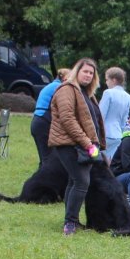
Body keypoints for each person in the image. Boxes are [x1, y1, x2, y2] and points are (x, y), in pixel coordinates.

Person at [49, 58, 106, 236]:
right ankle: (70, 223)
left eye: (91, 73)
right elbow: (67, 119)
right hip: (69, 143)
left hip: (83, 144)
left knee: (74, 181)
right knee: (82, 181)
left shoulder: (86, 93)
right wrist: (88, 143)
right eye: (85, 71)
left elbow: (93, 120)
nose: (88, 75)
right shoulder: (66, 89)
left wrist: (96, 143)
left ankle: (71, 219)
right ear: (76, 71)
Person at [30, 68, 70, 166]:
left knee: (45, 158)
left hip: (38, 121)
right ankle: (43, 179)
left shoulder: (51, 85)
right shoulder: (59, 87)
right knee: (48, 159)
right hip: (43, 121)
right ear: (65, 78)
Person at [99, 67, 130, 159]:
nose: (106, 82)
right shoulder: (128, 96)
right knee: (110, 162)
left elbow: (101, 115)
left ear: (113, 80)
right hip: (117, 135)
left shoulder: (108, 93)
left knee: (98, 161)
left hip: (104, 134)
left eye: (107, 79)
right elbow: (124, 119)